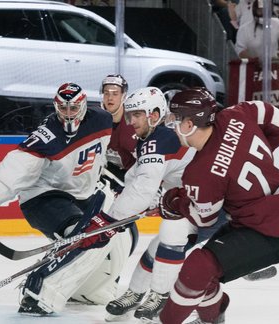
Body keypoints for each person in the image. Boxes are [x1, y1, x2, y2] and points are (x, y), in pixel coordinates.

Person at [0, 82, 137, 316]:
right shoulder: (48, 134)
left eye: (73, 108)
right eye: (63, 108)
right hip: (43, 197)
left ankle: (88, 290)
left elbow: (125, 127)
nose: (68, 114)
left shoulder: (101, 119)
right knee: (79, 234)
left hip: (83, 195)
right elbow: (17, 167)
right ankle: (38, 292)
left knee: (124, 231)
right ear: (55, 106)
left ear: (84, 105)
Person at [155, 88, 279, 324]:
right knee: (206, 269)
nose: (172, 126)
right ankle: (213, 319)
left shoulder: (199, 173)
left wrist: (175, 200)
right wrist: (253, 159)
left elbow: (205, 219)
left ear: (191, 123)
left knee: (198, 266)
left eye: (176, 119)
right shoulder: (239, 113)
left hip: (270, 233)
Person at [102, 87, 197, 322]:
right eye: (130, 115)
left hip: (206, 205)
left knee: (167, 244)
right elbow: (136, 178)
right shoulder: (151, 140)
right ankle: (136, 293)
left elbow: (143, 188)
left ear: (154, 115)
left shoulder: (160, 140)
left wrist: (110, 221)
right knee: (156, 250)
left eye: (137, 115)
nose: (131, 121)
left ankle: (161, 296)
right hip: (190, 201)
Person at [100, 74, 137, 182]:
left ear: (123, 96)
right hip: (106, 174)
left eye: (115, 94)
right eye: (106, 93)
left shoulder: (135, 122)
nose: (110, 98)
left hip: (133, 178)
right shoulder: (96, 119)